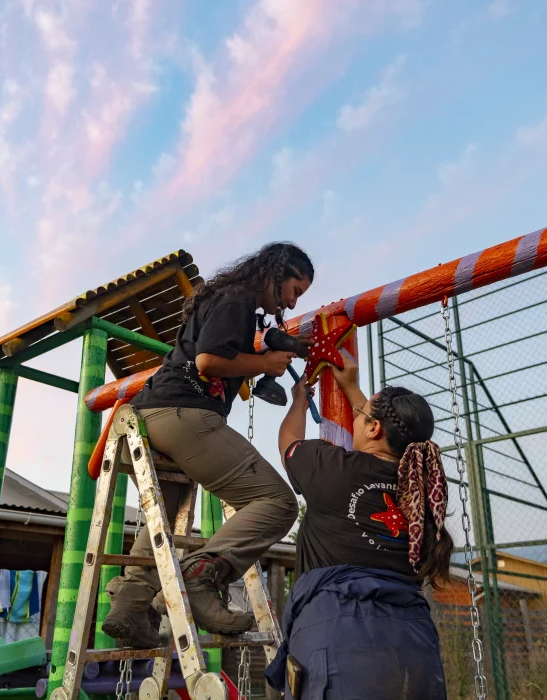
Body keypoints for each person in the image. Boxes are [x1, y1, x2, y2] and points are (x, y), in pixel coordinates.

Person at [103, 243, 314, 648]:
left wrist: (278, 348)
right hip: (182, 412)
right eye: (294, 290)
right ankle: (202, 577)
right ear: (275, 272)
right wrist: (265, 365)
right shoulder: (237, 298)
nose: (290, 301)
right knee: (278, 502)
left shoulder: (228, 302)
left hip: (149, 419)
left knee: (161, 517)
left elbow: (230, 347)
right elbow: (207, 362)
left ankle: (130, 606)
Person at [265, 353, 452, 700]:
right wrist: (352, 389)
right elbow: (382, 425)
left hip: (338, 638)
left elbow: (288, 441)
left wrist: (299, 403)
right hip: (416, 645)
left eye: (362, 414)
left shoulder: (333, 467)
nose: (357, 415)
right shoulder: (424, 493)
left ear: (373, 428)